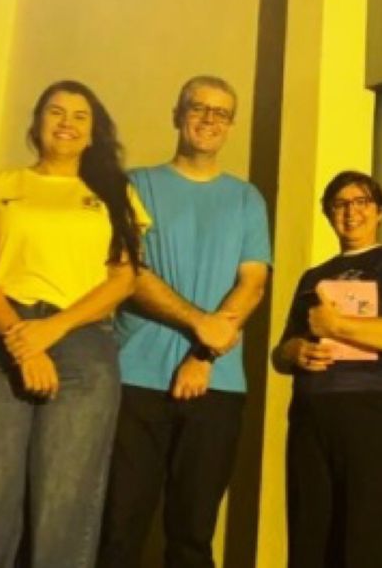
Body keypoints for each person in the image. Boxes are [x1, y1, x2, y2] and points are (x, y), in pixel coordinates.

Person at [0, 80, 149, 568]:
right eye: (56, 112)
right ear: (36, 123)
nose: (66, 123)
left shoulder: (114, 194)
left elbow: (123, 280)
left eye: (79, 116)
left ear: (93, 133)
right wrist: (24, 345)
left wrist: (52, 332)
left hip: (82, 345)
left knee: (66, 503)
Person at [98, 76, 273, 568]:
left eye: (221, 113)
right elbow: (130, 274)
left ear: (231, 125)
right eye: (199, 108)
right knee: (119, 528)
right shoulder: (137, 186)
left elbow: (253, 282)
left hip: (217, 386)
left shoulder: (246, 199)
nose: (209, 119)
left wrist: (204, 354)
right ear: (178, 114)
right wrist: (201, 324)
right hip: (136, 380)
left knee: (193, 536)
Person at [272, 171, 382, 568]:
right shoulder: (313, 277)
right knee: (309, 538)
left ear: (378, 212)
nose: (351, 212)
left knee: (365, 539)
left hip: (373, 412)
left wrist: (338, 326)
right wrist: (297, 351)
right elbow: (280, 352)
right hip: (311, 417)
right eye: (340, 204)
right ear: (328, 214)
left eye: (361, 203)